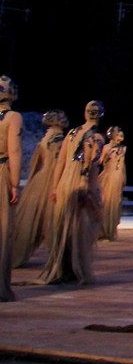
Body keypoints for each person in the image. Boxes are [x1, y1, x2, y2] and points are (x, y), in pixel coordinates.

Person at [36, 101, 105, 286]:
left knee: (63, 227)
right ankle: (75, 271)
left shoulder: (71, 133)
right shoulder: (97, 137)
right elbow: (91, 167)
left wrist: (55, 186)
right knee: (80, 230)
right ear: (100, 116)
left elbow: (61, 162)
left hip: (65, 182)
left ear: (85, 114)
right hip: (80, 183)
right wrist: (92, 192)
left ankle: (61, 269)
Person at [13, 109, 69, 268]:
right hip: (48, 181)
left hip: (37, 180)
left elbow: (35, 163)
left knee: (31, 221)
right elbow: (57, 163)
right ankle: (58, 259)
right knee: (52, 219)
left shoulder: (45, 137)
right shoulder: (58, 138)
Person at [0, 76, 22, 301]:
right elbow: (14, 151)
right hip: (1, 172)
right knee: (3, 231)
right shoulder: (12, 117)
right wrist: (14, 183)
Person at [98, 127, 127, 241]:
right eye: (119, 134)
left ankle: (110, 231)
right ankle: (103, 231)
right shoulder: (106, 147)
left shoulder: (123, 148)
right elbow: (100, 161)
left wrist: (123, 178)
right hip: (108, 177)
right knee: (106, 203)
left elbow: (122, 165)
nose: (121, 136)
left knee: (115, 204)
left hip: (118, 178)